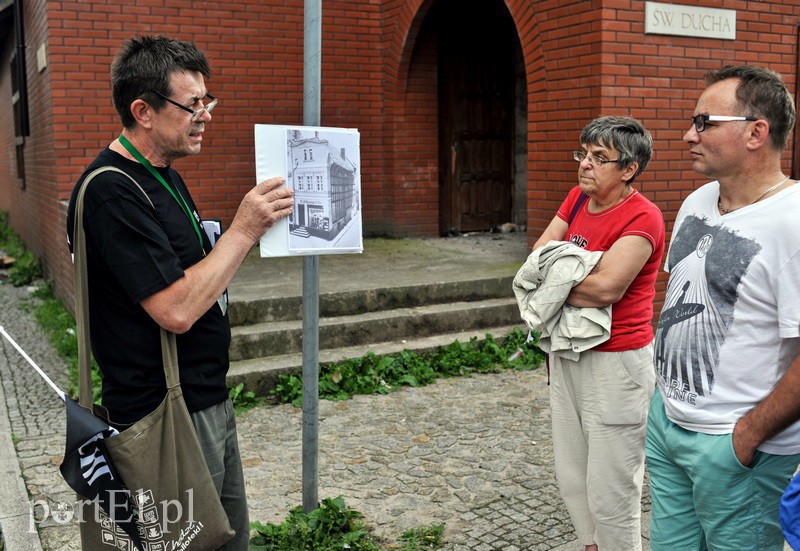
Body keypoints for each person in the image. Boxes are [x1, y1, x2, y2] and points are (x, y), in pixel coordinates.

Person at [65, 35, 294, 550]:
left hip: (204, 398)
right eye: (193, 104)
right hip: (165, 414)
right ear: (143, 111)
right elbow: (175, 309)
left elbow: (196, 273)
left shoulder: (162, 175)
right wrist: (244, 230)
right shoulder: (111, 191)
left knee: (227, 539)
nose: (205, 115)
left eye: (207, 101)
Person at [645, 65, 800, 551]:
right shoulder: (697, 201)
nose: (689, 135)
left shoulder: (793, 222)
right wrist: (661, 404)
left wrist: (747, 436)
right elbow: (678, 296)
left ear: (756, 132)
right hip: (667, 425)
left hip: (738, 449)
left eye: (704, 122)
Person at [532, 116, 665, 551]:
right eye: (583, 154)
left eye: (599, 157)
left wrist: (557, 280)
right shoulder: (576, 199)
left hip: (616, 363)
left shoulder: (643, 216)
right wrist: (576, 272)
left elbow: (607, 289)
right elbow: (537, 258)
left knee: (612, 486)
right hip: (567, 350)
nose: (585, 164)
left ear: (629, 169)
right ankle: (590, 545)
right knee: (572, 472)